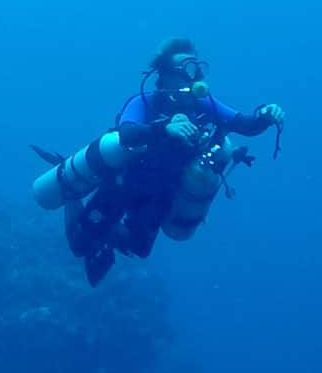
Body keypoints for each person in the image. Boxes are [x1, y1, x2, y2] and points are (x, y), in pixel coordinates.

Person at [65, 38, 285, 286]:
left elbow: (245, 124)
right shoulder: (144, 103)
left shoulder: (204, 106)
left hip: (160, 194)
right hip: (122, 186)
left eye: (198, 68)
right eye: (188, 68)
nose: (196, 75)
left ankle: (104, 236)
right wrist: (164, 129)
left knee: (139, 248)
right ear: (166, 76)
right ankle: (73, 201)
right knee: (79, 244)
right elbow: (127, 135)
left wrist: (266, 116)